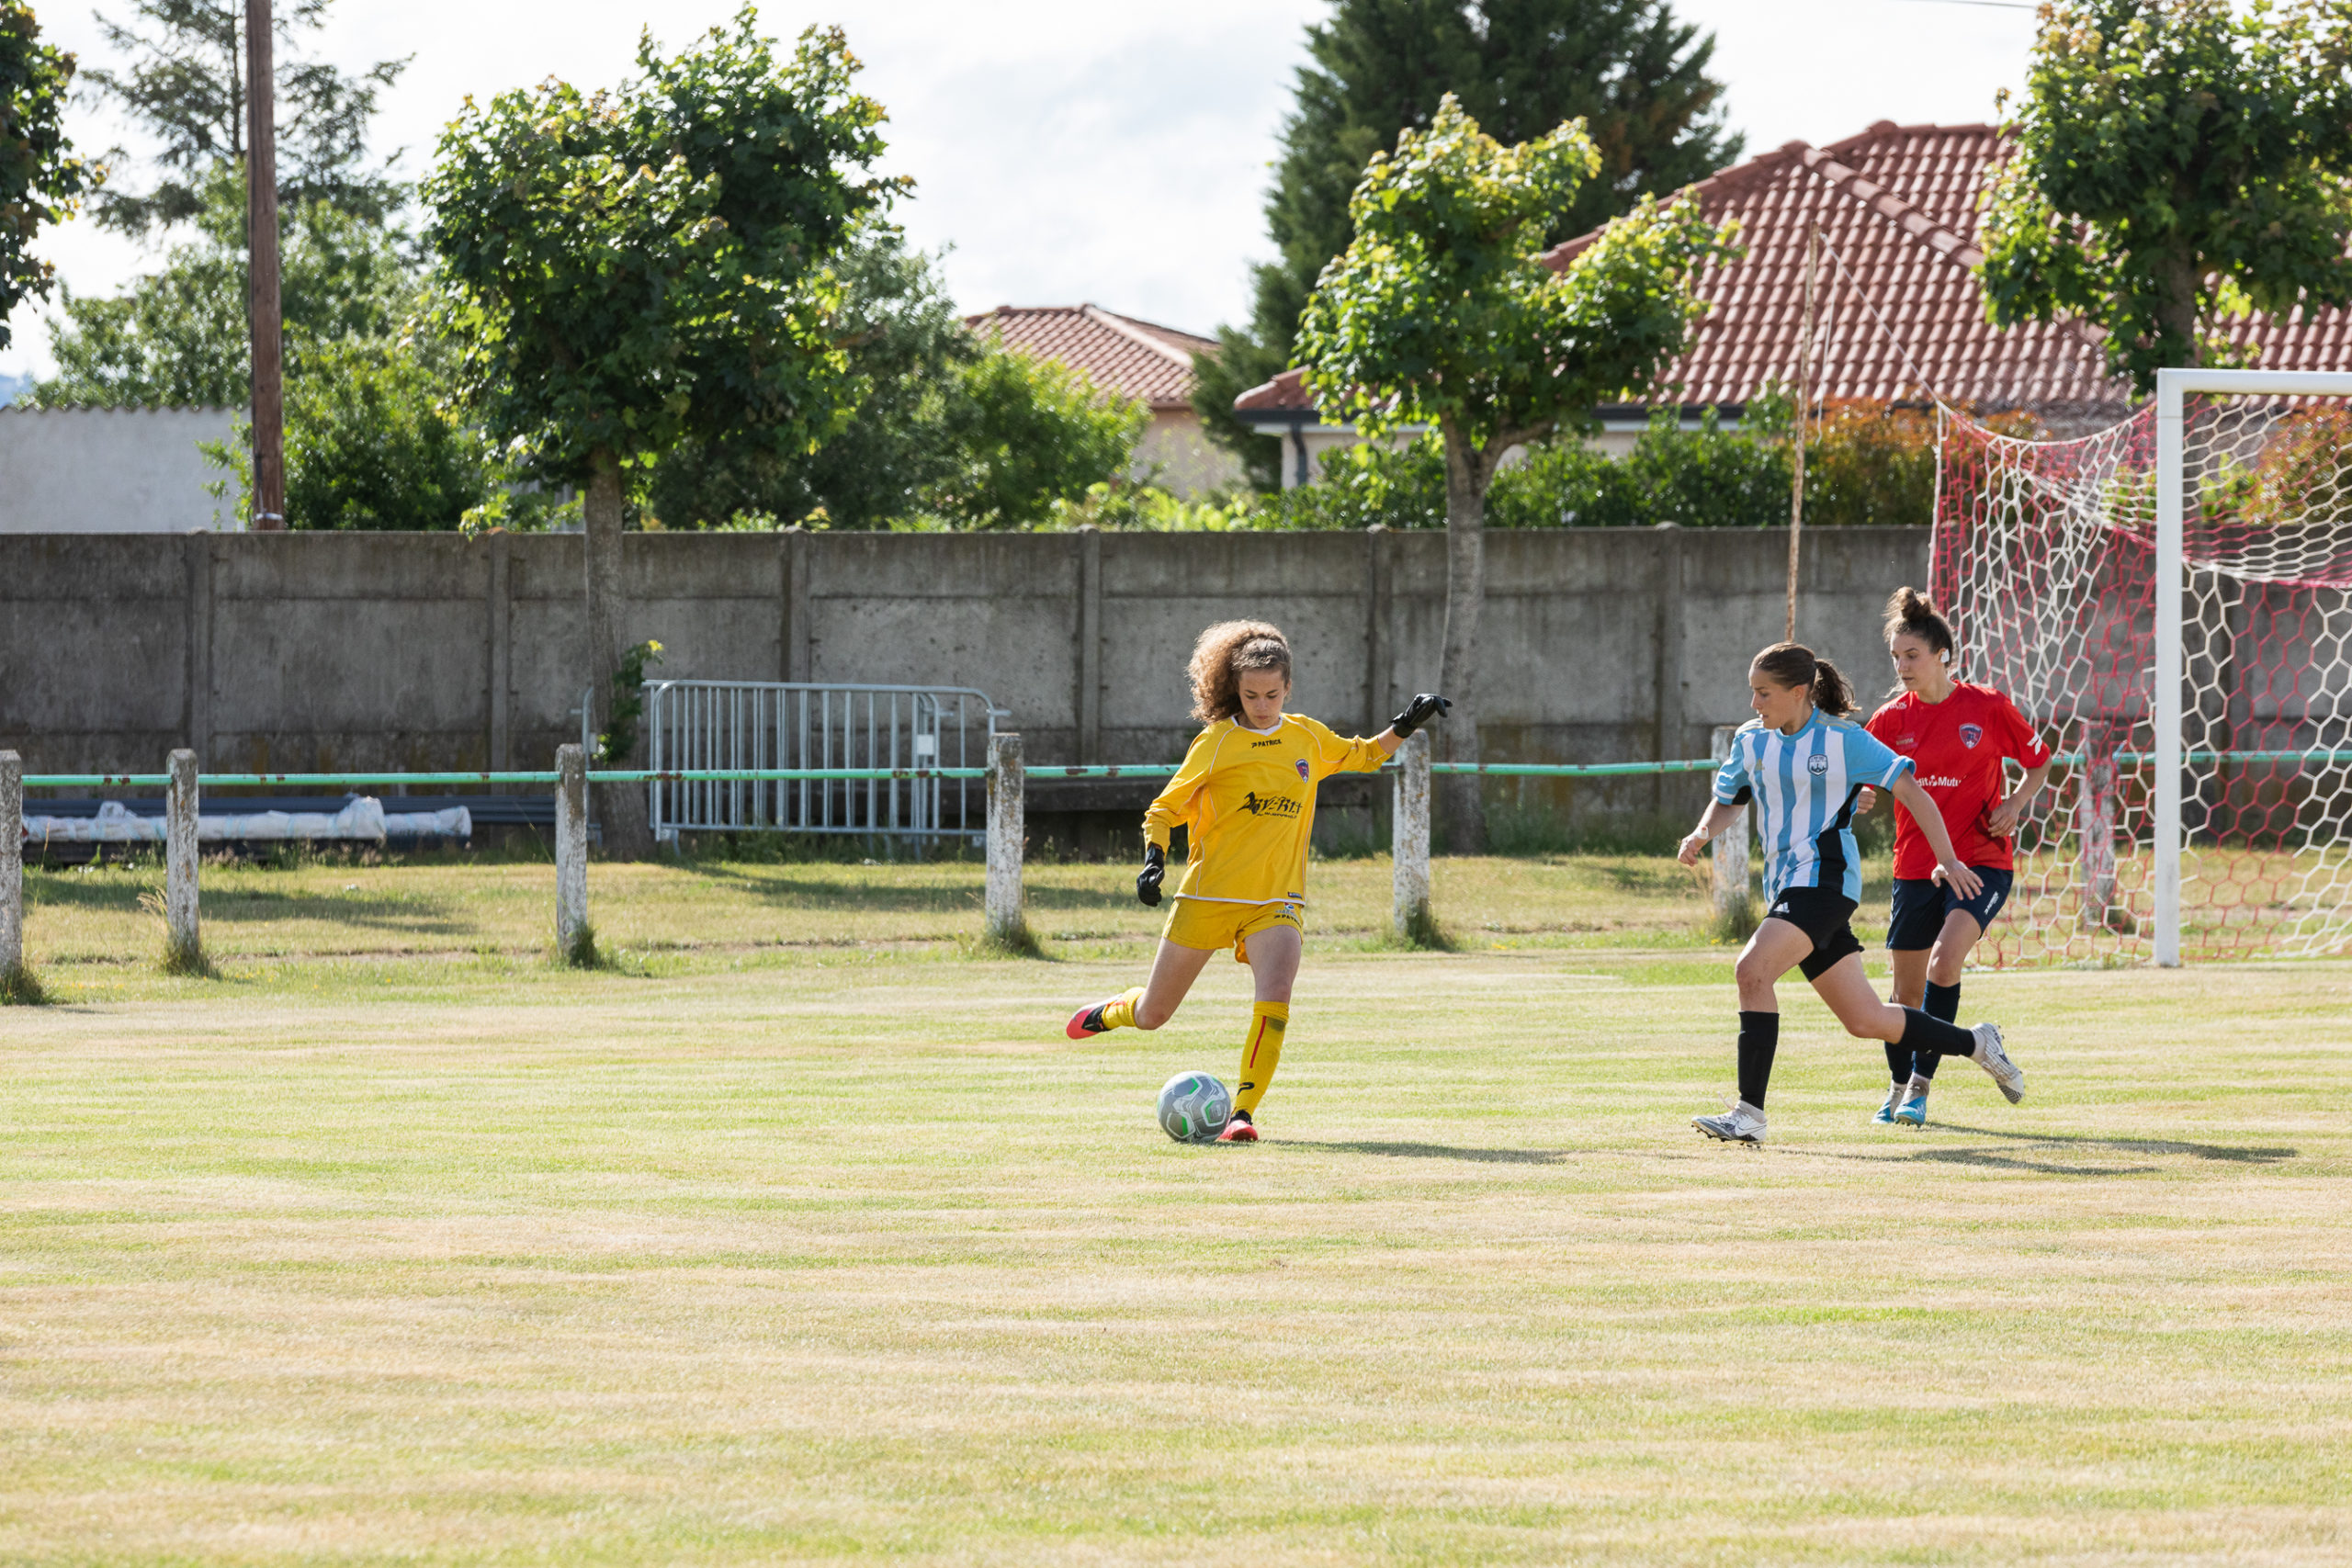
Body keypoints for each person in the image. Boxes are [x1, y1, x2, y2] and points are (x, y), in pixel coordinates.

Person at [1065, 620, 1448, 1143]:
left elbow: (1361, 754)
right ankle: (1115, 1011)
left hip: (1276, 900)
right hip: (1208, 895)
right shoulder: (1218, 741)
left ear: (1288, 687)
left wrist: (1405, 723)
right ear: (1234, 691)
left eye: (1272, 693)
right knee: (1155, 1015)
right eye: (1250, 695)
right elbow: (1165, 808)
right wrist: (1155, 857)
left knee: (1276, 996)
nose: (1262, 704)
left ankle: (1242, 1114)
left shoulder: (1307, 736)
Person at [1676, 642, 2025, 1145]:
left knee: (1751, 971)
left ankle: (1749, 1114)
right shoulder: (1751, 740)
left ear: (1799, 693)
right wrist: (1701, 832)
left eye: (1763, 693)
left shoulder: (1843, 740)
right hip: (1787, 886)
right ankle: (1976, 1043)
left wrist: (1948, 859)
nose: (1754, 704)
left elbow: (1912, 791)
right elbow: (1729, 798)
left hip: (1824, 879)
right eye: (1752, 692)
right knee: (1867, 1020)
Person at [1860, 586, 2053, 1127]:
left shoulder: (1987, 707)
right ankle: (1897, 1087)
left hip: (1981, 859)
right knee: (1903, 990)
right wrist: (1862, 794)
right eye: (1896, 657)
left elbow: (2039, 761)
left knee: (1947, 961)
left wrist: (2016, 801)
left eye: (1912, 655)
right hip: (1915, 865)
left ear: (1941, 653)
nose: (1902, 666)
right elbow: (1859, 777)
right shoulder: (1890, 719)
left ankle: (1921, 1088)